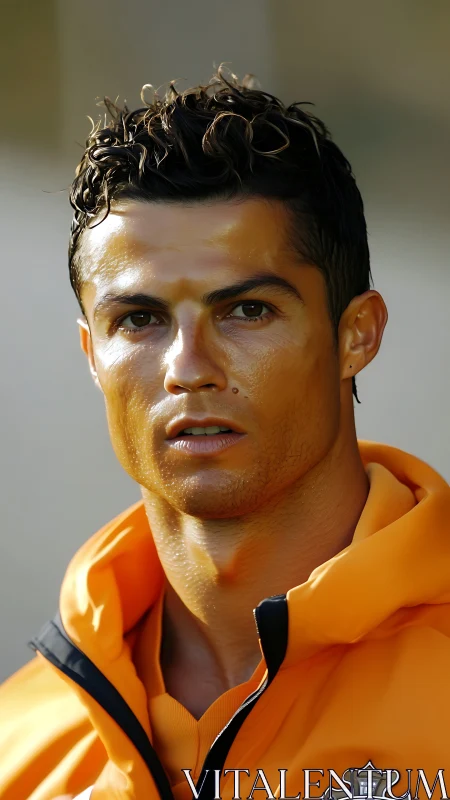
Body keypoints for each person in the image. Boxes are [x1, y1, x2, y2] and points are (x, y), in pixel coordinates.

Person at [1, 67, 449, 800]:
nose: (189, 368)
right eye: (139, 320)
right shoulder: (19, 751)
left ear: (356, 335)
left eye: (246, 312)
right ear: (92, 356)